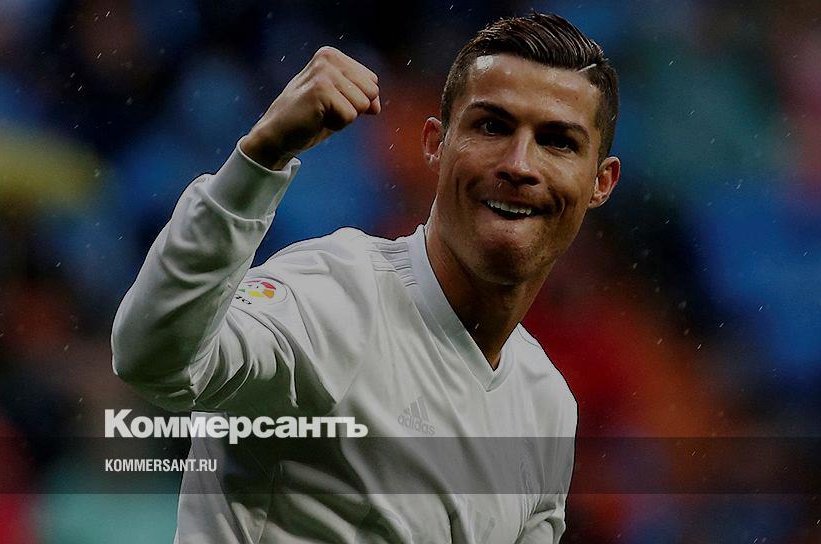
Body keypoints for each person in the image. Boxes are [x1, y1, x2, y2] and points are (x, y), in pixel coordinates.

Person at [112, 12, 620, 544]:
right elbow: (155, 363)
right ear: (435, 144)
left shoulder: (546, 406)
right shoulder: (335, 299)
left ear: (600, 182)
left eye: (558, 141)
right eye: (492, 126)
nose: (519, 164)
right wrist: (259, 159)